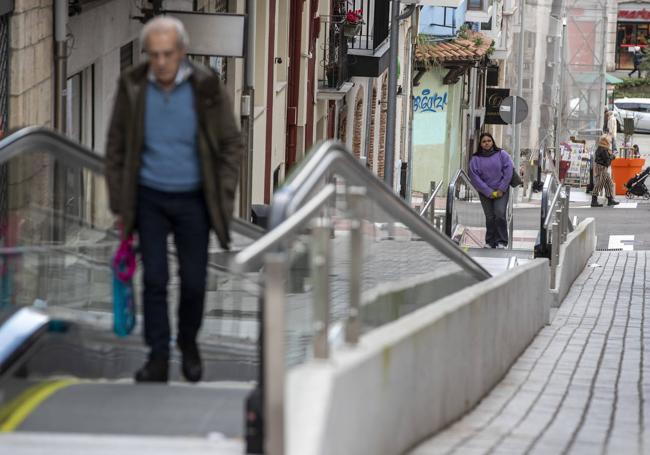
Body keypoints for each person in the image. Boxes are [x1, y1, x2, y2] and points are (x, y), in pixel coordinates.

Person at [105, 17, 242, 383]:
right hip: (148, 197)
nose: (161, 62)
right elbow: (116, 146)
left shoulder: (207, 86)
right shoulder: (132, 85)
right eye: (154, 55)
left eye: (167, 54)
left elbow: (231, 143)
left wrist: (223, 194)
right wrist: (120, 203)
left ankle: (188, 342)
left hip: (194, 199)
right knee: (154, 279)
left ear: (181, 52)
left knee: (194, 281)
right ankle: (159, 356)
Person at [468, 133, 514, 249]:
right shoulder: (475, 159)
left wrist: (501, 189)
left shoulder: (502, 154)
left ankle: (502, 241)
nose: (487, 143)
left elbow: (508, 171)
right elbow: (474, 177)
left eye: (489, 140)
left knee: (499, 214)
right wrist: (488, 192)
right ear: (480, 144)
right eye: (484, 141)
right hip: (485, 193)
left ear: (493, 142)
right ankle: (490, 241)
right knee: (489, 217)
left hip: (501, 191)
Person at [591, 135, 619, 207]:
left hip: (600, 167)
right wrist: (612, 157)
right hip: (602, 167)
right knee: (599, 183)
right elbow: (607, 161)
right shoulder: (604, 149)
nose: (610, 143)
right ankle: (594, 200)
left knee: (609, 183)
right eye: (609, 141)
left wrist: (611, 156)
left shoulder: (600, 148)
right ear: (606, 142)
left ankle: (610, 199)